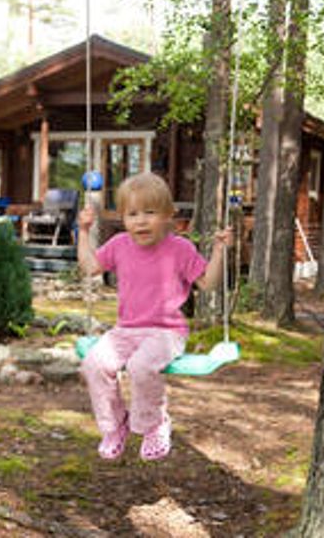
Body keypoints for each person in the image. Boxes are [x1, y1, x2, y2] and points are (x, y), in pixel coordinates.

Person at [77, 173, 232, 461]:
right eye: (132, 214)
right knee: (94, 363)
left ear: (168, 216)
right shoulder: (120, 244)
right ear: (123, 218)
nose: (141, 221)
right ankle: (114, 426)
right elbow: (89, 267)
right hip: (125, 331)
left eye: (150, 213)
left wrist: (220, 250)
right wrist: (84, 232)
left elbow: (208, 283)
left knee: (140, 366)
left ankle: (154, 425)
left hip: (166, 332)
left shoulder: (180, 249)